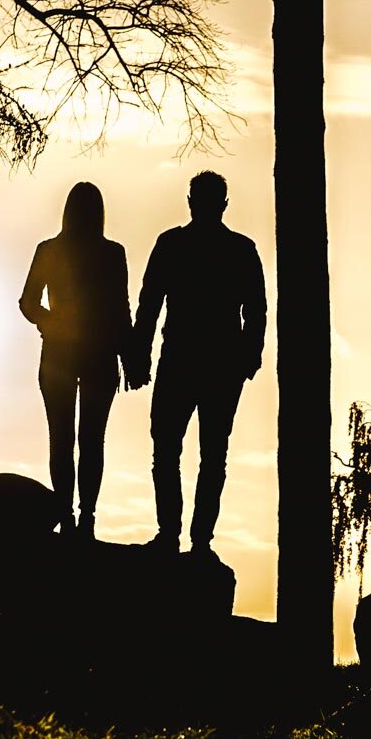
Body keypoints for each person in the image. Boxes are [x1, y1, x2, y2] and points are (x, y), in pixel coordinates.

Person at [129, 170, 266, 556]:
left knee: (171, 450)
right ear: (223, 203)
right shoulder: (240, 249)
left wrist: (140, 353)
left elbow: (149, 305)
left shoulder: (173, 244)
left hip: (186, 360)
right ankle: (194, 539)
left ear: (191, 201)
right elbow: (256, 311)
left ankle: (174, 535)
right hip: (215, 363)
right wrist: (248, 356)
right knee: (209, 455)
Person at [19, 182, 140, 540]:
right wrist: (129, 354)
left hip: (72, 353)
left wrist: (48, 321)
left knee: (70, 438)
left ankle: (74, 517)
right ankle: (80, 518)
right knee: (86, 439)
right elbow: (121, 312)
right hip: (89, 353)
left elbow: (28, 303)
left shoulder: (56, 250)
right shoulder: (109, 253)